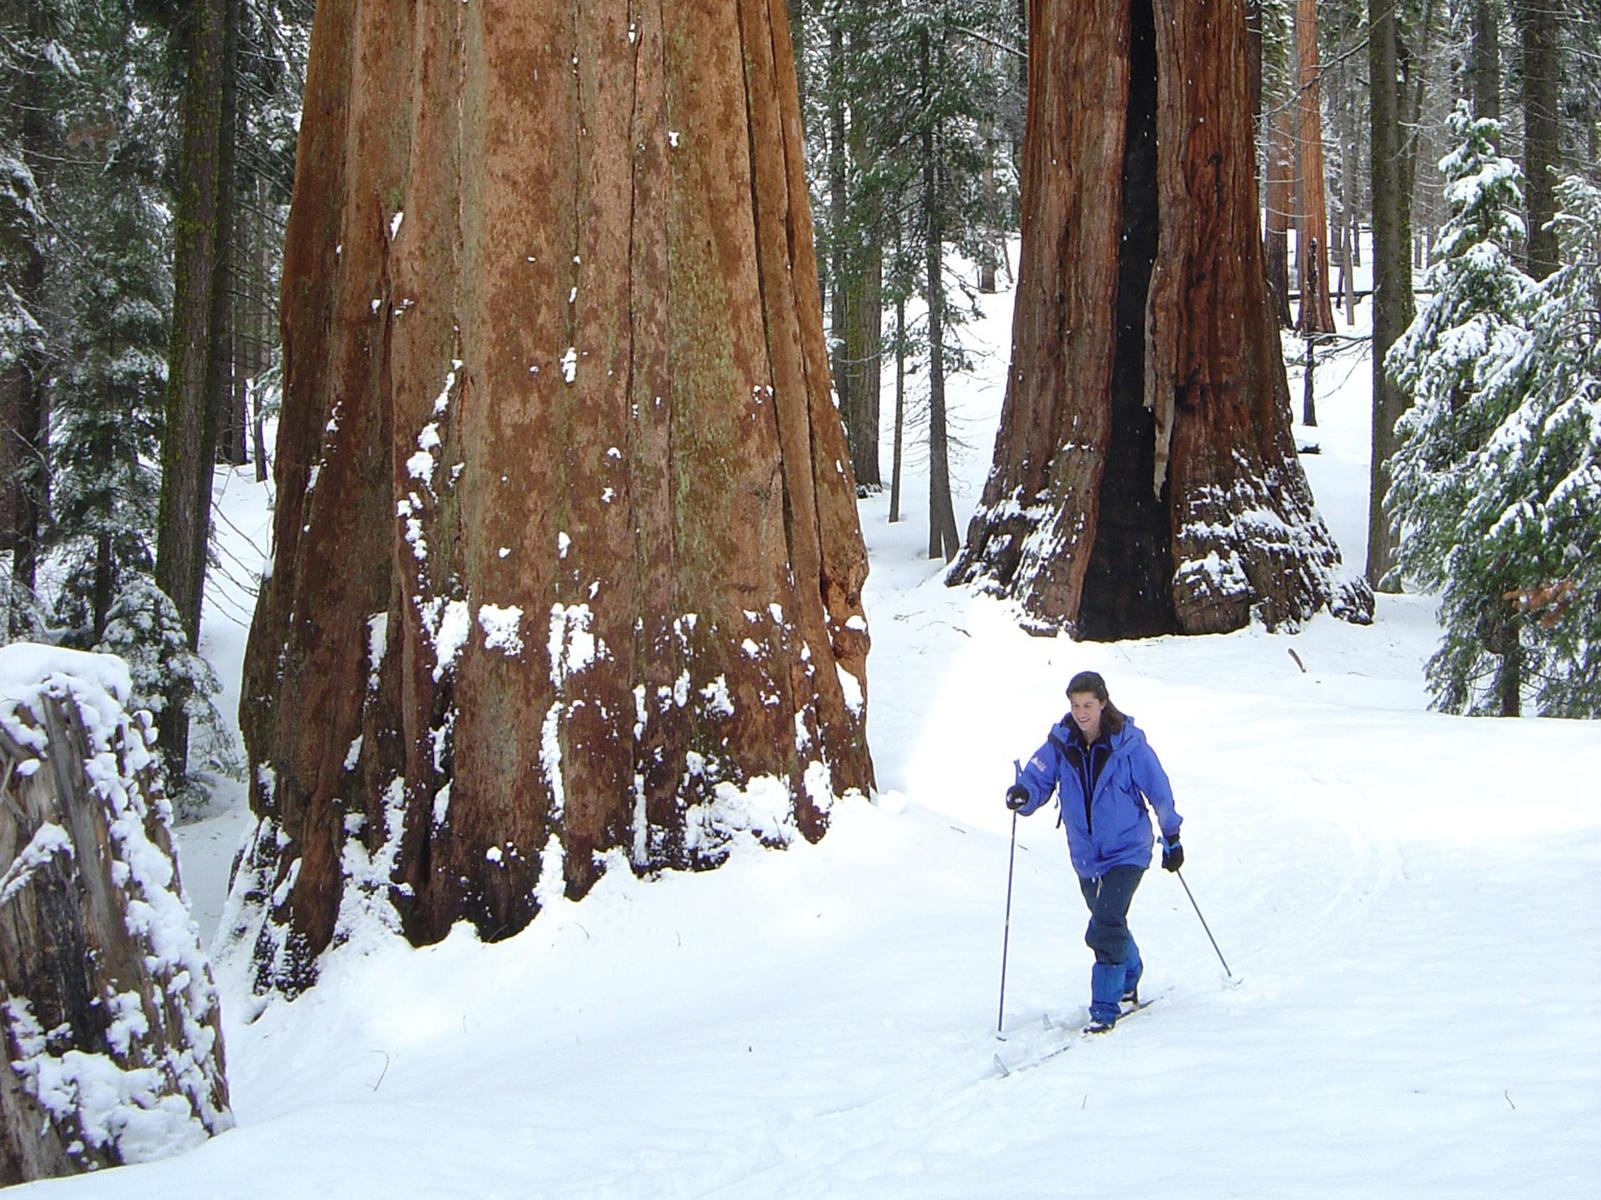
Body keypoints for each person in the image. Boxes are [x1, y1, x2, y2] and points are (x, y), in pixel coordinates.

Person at [1005, 670, 1183, 1033]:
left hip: (1127, 851)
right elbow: (1038, 777)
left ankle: (1104, 1010)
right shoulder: (1062, 742)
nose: (1081, 713)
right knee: (1109, 922)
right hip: (1085, 854)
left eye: (1088, 705)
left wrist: (1172, 836)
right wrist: (1023, 794)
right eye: (1075, 705)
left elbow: (1159, 791)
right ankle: (1130, 975)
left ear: (1103, 703)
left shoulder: (1129, 745)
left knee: (1103, 925)